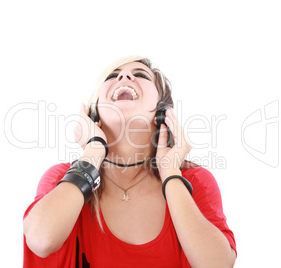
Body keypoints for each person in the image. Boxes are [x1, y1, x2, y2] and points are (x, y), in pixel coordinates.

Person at [23, 56, 237, 267]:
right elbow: (41, 240)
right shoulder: (62, 180)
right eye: (113, 75)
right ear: (94, 113)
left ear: (162, 112)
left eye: (140, 75)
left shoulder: (194, 180)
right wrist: (93, 152)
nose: (124, 76)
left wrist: (170, 174)